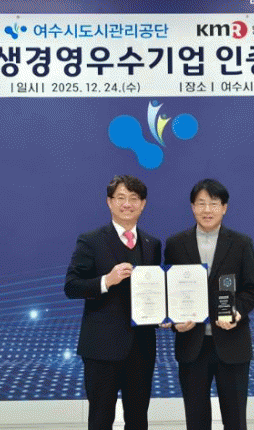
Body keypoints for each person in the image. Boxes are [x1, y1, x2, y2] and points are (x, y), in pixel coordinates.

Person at [65, 175, 161, 430]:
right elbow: (71, 286)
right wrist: (107, 280)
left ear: (143, 204)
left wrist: (163, 315)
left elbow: (154, 291)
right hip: (101, 348)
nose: (127, 204)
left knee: (138, 420)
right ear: (109, 202)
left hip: (141, 348)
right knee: (100, 419)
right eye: (120, 198)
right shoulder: (91, 240)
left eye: (133, 198)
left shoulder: (152, 244)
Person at [164, 179, 254, 430]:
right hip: (192, 345)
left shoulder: (241, 243)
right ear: (192, 207)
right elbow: (170, 292)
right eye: (201, 203)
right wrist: (174, 322)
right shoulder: (175, 244)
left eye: (214, 203)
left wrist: (236, 312)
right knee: (196, 421)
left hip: (232, 344)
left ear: (224, 208)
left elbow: (252, 289)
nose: (207, 210)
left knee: (235, 420)